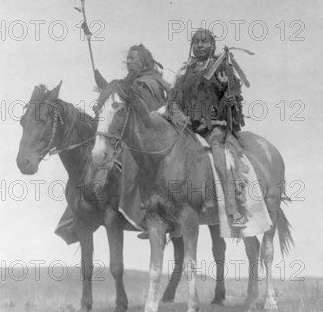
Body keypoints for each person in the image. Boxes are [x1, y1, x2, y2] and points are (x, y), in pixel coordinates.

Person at [55, 44, 169, 243]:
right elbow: (118, 99)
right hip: (124, 134)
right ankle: (79, 210)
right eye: (128, 59)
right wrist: (105, 88)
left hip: (147, 137)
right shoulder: (127, 83)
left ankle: (148, 214)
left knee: (132, 161)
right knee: (91, 160)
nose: (130, 62)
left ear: (146, 61)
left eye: (134, 58)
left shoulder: (152, 83)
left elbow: (147, 112)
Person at [168, 28, 248, 227]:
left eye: (204, 42)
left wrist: (229, 100)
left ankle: (233, 208)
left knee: (219, 156)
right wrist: (178, 114)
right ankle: (165, 212)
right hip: (188, 126)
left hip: (214, 127)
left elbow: (235, 93)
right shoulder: (185, 71)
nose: (200, 45)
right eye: (196, 42)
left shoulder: (222, 67)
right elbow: (174, 98)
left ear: (212, 45)